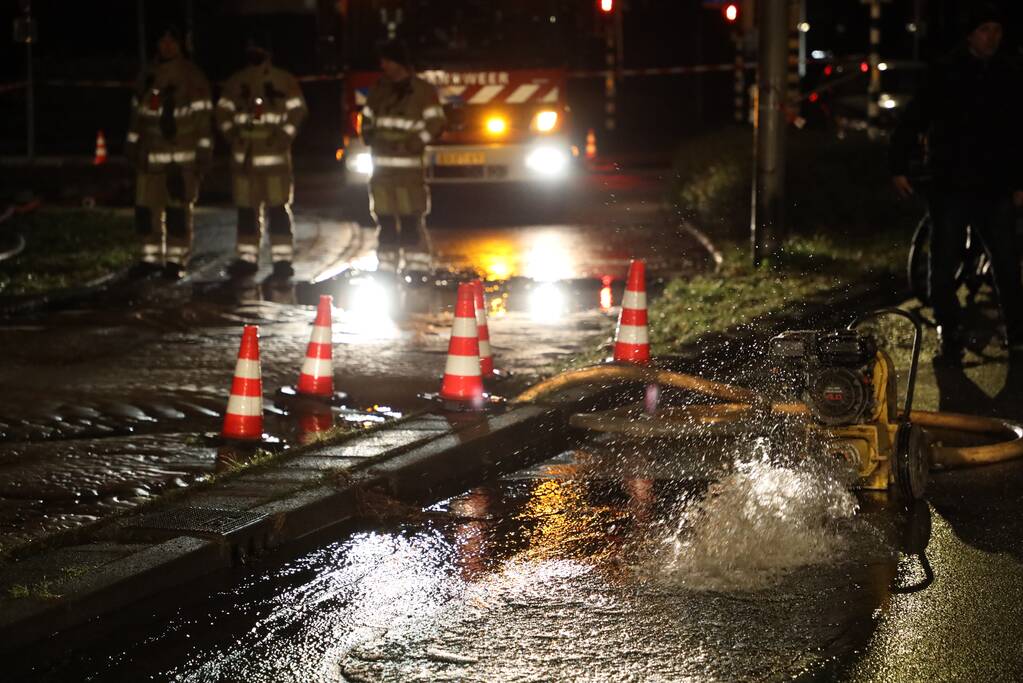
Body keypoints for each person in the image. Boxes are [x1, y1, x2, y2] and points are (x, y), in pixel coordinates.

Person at [890, 3, 1023, 362]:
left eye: (997, 30)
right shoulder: (946, 72)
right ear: (970, 34)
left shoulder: (1008, 73)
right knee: (944, 265)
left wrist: (1017, 182)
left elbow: (1016, 134)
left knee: (1008, 263)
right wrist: (899, 166)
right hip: (950, 184)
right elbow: (915, 117)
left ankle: (1017, 334)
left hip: (993, 185)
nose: (992, 37)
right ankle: (950, 336)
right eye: (985, 30)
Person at [124, 27, 212, 279]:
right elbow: (136, 116)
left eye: (171, 41)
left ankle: (175, 261)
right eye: (162, 40)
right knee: (145, 211)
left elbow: (203, 117)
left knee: (177, 213)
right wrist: (131, 145)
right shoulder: (146, 76)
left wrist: (203, 152)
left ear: (180, 45)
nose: (166, 46)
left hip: (179, 160)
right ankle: (148, 259)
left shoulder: (191, 76)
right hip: (149, 159)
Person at [216, 41, 308, 279]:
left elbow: (298, 111)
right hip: (244, 161)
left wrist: (283, 137)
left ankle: (282, 261)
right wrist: (232, 135)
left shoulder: (284, 81)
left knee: (278, 209)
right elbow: (222, 113)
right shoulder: (236, 82)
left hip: (275, 161)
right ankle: (247, 258)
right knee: (246, 211)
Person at [361, 40, 446, 279]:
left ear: (398, 62)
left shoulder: (422, 92)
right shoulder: (379, 90)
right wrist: (367, 133)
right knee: (385, 219)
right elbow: (366, 117)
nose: (382, 65)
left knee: (411, 219)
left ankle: (417, 267)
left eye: (386, 60)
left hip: (409, 171)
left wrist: (415, 142)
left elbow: (436, 123)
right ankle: (386, 266)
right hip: (382, 171)